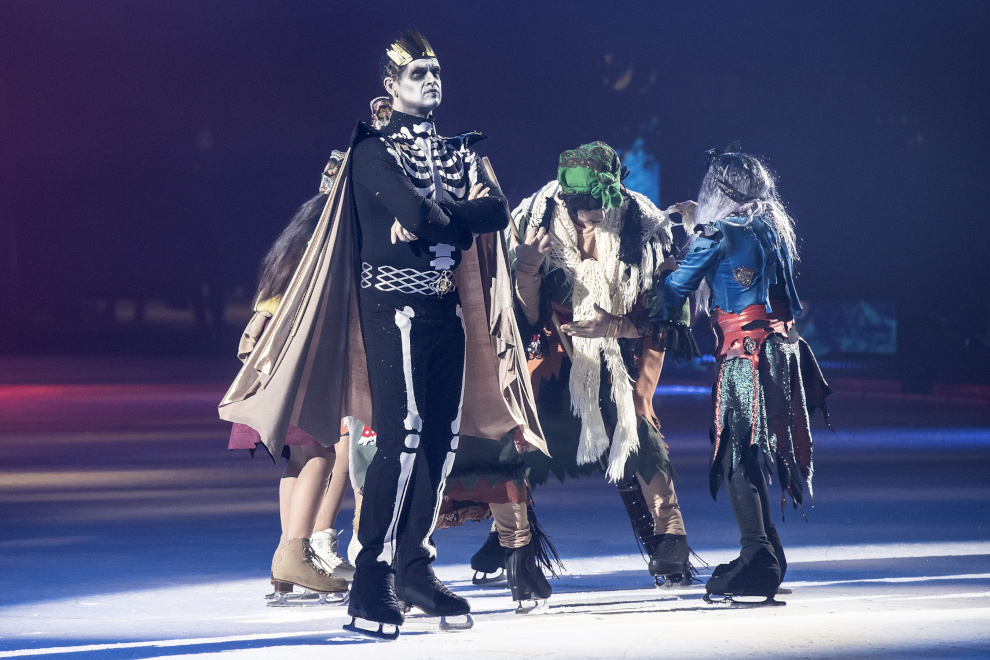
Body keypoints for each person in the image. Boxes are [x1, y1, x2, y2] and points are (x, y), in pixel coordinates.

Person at [220, 29, 542, 640]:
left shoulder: (458, 151)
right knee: (404, 435)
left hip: (444, 308)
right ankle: (372, 576)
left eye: (435, 70)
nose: (431, 80)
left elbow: (497, 211)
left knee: (442, 439)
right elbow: (421, 213)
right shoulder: (371, 150)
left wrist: (440, 221)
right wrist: (447, 218)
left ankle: (415, 567)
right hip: (392, 307)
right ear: (390, 86)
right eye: (418, 73)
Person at [446, 141, 700, 603]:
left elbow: (666, 321)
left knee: (638, 433)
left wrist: (618, 334)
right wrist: (527, 269)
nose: (593, 216)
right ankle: (512, 541)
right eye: (583, 208)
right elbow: (523, 317)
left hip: (621, 356)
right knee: (519, 439)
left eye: (600, 206)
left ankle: (671, 539)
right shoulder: (535, 217)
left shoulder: (646, 228)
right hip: (554, 355)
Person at [650, 149, 831, 604]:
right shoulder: (773, 228)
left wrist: (662, 273)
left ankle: (757, 556)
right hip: (784, 351)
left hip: (744, 357)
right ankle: (768, 554)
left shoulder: (717, 233)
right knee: (751, 451)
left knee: (735, 454)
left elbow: (675, 291)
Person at [227, 153, 354, 606]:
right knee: (321, 451)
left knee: (297, 458)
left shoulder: (296, 235)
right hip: (301, 356)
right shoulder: (329, 238)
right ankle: (297, 554)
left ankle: (286, 563)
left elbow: (269, 301)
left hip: (273, 357)